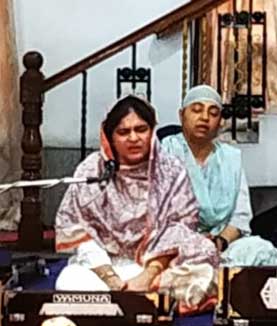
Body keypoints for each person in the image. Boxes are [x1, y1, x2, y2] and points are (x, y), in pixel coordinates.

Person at [55, 96, 219, 314]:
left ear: (152, 131)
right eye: (124, 132)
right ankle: (138, 303)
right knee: (70, 280)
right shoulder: (93, 170)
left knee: (204, 268)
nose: (134, 138)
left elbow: (181, 229)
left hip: (155, 266)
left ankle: (121, 304)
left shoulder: (170, 170)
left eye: (141, 129)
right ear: (110, 137)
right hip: (103, 268)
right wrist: (112, 279)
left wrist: (147, 275)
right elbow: (80, 231)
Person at [160, 85, 277, 267]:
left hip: (219, 245)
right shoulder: (165, 153)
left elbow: (240, 217)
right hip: (176, 244)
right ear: (181, 115)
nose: (204, 117)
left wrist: (219, 242)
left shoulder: (231, 159)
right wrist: (194, 242)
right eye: (197, 110)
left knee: (262, 249)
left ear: (220, 122)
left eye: (213, 113)